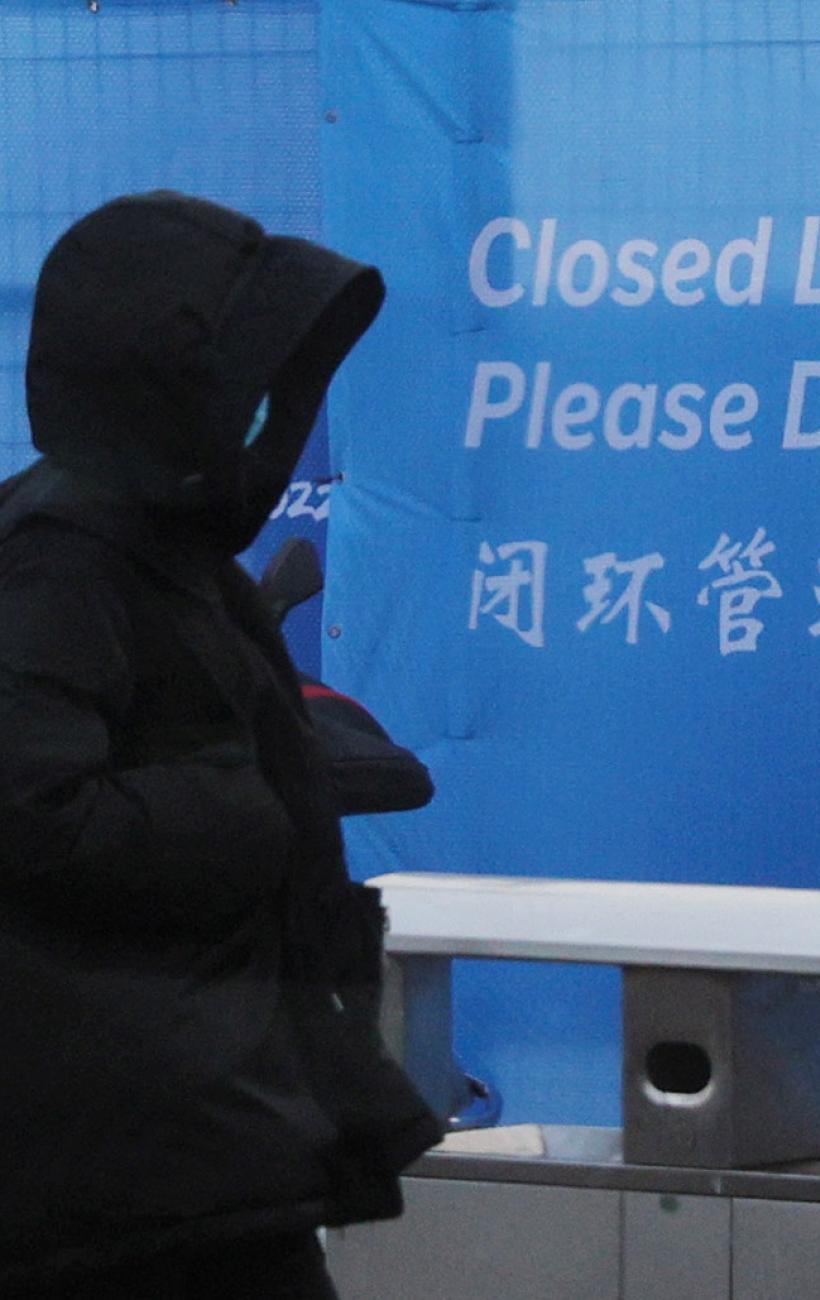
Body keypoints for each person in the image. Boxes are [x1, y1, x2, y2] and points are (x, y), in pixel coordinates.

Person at [0, 192, 443, 1297]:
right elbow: (32, 811)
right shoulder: (59, 561)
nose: (262, 414)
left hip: (191, 1134)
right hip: (122, 1164)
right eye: (239, 383)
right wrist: (244, 804)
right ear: (160, 384)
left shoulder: (152, 543)